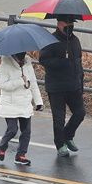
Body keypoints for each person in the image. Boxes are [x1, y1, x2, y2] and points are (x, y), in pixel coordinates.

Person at [38, 14, 85, 157]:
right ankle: (60, 144)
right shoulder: (50, 41)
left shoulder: (75, 41)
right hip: (56, 87)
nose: (70, 25)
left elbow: (79, 63)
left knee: (80, 113)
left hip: (73, 86)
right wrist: (61, 62)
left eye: (72, 23)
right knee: (59, 119)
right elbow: (43, 60)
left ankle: (67, 135)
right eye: (67, 23)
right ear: (59, 24)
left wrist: (80, 82)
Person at [0, 51, 44, 166]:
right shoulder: (5, 65)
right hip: (10, 104)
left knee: (26, 131)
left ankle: (21, 156)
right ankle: (1, 147)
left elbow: (33, 84)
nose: (23, 56)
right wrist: (20, 81)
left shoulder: (28, 64)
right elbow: (2, 84)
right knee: (12, 130)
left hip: (25, 103)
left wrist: (38, 101)